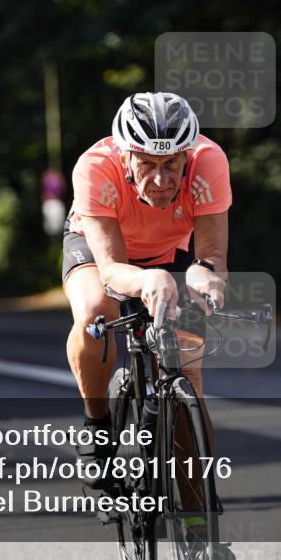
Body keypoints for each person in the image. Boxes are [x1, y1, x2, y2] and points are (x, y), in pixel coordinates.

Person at [62, 91, 231, 468]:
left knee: (186, 369)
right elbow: (110, 271)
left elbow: (212, 257)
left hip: (172, 252)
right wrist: (146, 280)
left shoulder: (209, 162)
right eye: (146, 164)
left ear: (187, 155)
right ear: (125, 156)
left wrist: (207, 278)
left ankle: (195, 516)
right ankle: (98, 423)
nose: (160, 179)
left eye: (172, 163)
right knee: (94, 312)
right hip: (99, 249)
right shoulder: (94, 167)